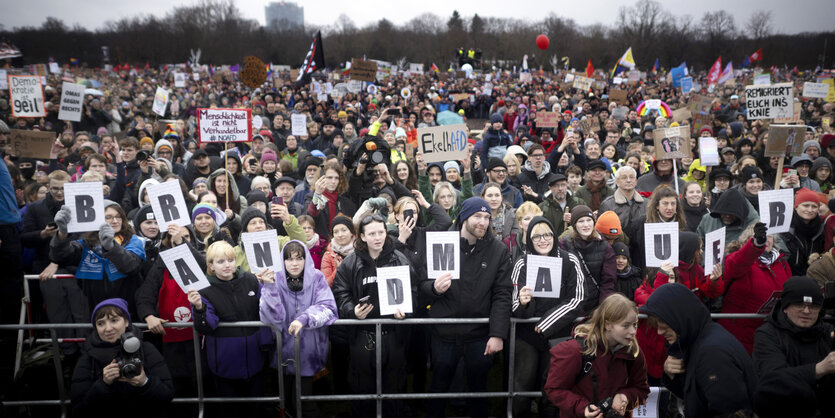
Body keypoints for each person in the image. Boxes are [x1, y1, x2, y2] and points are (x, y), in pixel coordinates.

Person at [420, 197, 512, 418]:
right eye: (477, 216)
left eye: (487, 217)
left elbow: (502, 293)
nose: (482, 222)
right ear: (464, 217)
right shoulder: (441, 243)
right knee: (439, 385)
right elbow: (421, 283)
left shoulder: (498, 250)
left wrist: (497, 334)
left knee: (479, 389)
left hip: (478, 334)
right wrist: (434, 288)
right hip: (444, 331)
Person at [332, 213, 417, 417]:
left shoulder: (400, 259)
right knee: (363, 385)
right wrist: (351, 311)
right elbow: (340, 292)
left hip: (392, 333)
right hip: (363, 333)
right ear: (362, 236)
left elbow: (413, 291)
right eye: (372, 234)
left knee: (394, 382)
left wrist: (406, 310)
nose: (377, 237)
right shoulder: (350, 263)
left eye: (381, 232)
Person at [640, 283, 758, 418]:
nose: (660, 332)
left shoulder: (712, 354)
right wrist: (671, 375)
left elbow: (731, 412)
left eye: (664, 324)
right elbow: (697, 395)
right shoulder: (700, 340)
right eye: (656, 325)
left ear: (680, 316)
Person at [511, 216, 589, 417]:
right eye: (536, 236)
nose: (542, 239)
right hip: (526, 335)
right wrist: (523, 302)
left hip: (559, 335)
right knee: (521, 386)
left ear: (554, 236)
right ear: (529, 239)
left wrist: (547, 322)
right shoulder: (522, 262)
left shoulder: (569, 260)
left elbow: (578, 298)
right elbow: (512, 302)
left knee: (553, 388)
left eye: (547, 234)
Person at [189, 240, 274, 418]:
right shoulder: (203, 290)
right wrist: (199, 308)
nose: (227, 265)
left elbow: (265, 311)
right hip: (224, 362)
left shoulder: (250, 280)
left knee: (256, 406)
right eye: (220, 262)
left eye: (230, 260)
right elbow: (208, 325)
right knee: (231, 409)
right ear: (211, 266)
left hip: (254, 359)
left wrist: (266, 343)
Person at [259, 240, 338, 418]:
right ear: (282, 261)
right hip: (281, 351)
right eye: (289, 259)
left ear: (306, 259)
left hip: (309, 352)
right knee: (285, 401)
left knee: (304, 401)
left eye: (299, 258)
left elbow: (328, 308)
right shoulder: (275, 279)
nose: (294, 263)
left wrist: (304, 318)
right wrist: (269, 288)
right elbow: (271, 318)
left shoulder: (317, 277)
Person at [544, 293, 650, 418]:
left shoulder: (633, 352)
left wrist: (625, 396)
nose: (633, 331)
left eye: (635, 324)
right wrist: (583, 408)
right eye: (625, 326)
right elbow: (554, 389)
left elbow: (642, 389)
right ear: (607, 325)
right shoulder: (574, 351)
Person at [70, 298, 174, 418]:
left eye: (114, 320)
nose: (108, 328)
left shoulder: (146, 349)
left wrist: (145, 383)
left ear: (126, 322)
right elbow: (78, 410)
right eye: (100, 323)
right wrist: (103, 384)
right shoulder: (88, 358)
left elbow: (167, 395)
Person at [752, 276, 835, 418]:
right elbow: (774, 379)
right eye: (799, 305)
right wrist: (819, 368)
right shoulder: (767, 334)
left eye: (813, 306)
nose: (807, 311)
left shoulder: (827, 332)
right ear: (785, 307)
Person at [50, 200, 146, 319]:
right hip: (94, 308)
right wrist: (62, 233)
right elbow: (60, 256)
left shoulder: (134, 240)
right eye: (109, 217)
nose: (115, 221)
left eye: (118, 217)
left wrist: (111, 247)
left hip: (128, 307)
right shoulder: (86, 244)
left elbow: (131, 266)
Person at [720, 222, 793, 354]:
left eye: (769, 236)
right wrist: (756, 244)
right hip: (738, 332)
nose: (766, 240)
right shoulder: (737, 259)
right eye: (761, 236)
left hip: (769, 331)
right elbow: (739, 262)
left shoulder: (781, 262)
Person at [559, 205, 616, 308]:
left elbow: (608, 281)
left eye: (589, 220)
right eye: (581, 221)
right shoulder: (564, 244)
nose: (586, 225)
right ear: (574, 224)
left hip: (595, 305)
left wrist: (602, 309)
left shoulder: (605, 247)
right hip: (571, 304)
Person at [780, 188, 824, 275]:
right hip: (788, 275)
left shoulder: (821, 228)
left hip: (812, 277)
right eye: (806, 205)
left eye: (814, 206)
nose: (810, 210)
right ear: (796, 207)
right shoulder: (785, 227)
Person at [598, 166, 646, 234]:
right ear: (617, 182)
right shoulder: (607, 204)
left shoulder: (646, 203)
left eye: (632, 177)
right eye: (624, 178)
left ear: (636, 181)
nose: (628, 180)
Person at [539, 173, 585, 237]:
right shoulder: (542, 207)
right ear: (550, 188)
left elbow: (586, 223)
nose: (560, 189)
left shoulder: (579, 203)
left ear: (567, 186)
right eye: (556, 186)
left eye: (563, 185)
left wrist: (574, 219)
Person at [320, 215, 356, 286]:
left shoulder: (360, 251)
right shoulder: (328, 255)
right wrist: (338, 269)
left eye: (344, 230)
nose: (340, 235)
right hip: (338, 295)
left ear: (351, 232)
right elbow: (325, 285)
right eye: (336, 232)